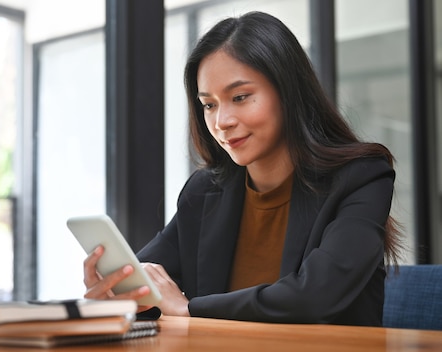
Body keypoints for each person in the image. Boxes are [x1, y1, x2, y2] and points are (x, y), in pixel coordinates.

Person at [83, 11, 402, 326]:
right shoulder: (205, 190)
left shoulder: (362, 177)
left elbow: (315, 296)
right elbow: (147, 275)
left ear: (288, 92)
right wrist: (116, 292)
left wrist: (189, 308)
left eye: (240, 97)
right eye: (209, 104)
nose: (222, 122)